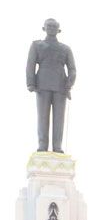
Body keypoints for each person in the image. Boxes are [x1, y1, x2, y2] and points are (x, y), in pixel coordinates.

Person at [26, 18, 76, 153]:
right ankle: (42, 145)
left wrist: (69, 83)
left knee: (59, 119)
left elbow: (72, 68)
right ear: (44, 28)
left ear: (58, 30)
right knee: (42, 117)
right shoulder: (37, 45)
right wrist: (30, 83)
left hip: (61, 87)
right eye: (49, 26)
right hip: (42, 85)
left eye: (54, 26)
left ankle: (57, 146)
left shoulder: (65, 49)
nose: (51, 28)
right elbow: (30, 64)